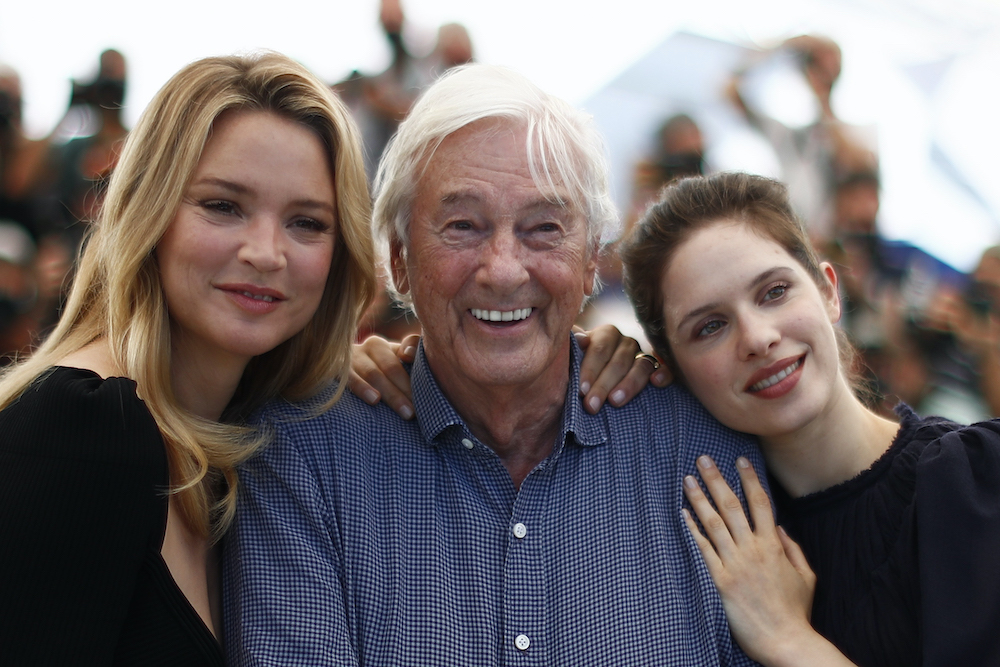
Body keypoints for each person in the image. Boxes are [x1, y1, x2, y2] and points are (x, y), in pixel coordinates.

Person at [225, 64, 764, 666]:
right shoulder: (308, 457)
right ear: (398, 261)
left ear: (591, 261)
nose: (504, 270)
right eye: (462, 226)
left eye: (543, 229)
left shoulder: (700, 454)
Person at [0, 52, 376, 664]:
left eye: (307, 222)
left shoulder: (245, 447)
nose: (266, 252)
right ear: (151, 211)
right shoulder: (82, 429)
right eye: (223, 205)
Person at [619, 171, 1000, 665]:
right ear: (671, 367)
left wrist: (788, 639)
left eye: (774, 292)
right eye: (710, 326)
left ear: (828, 291)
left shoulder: (980, 480)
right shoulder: (707, 543)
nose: (758, 338)